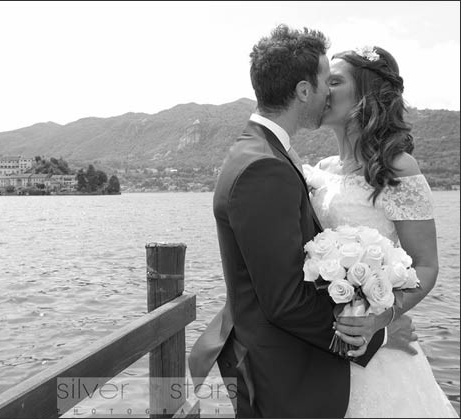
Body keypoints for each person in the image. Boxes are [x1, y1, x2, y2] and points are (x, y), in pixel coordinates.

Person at [188, 24, 414, 418]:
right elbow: (285, 302)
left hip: (293, 365)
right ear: (304, 91)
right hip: (285, 375)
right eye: (327, 81)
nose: (330, 91)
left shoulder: (266, 152)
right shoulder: (264, 166)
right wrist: (374, 333)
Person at [302, 45, 458, 417]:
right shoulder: (319, 169)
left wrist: (381, 319)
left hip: (381, 351)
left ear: (365, 96)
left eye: (334, 81)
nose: (323, 89)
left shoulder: (398, 168)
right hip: (319, 346)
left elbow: (426, 265)